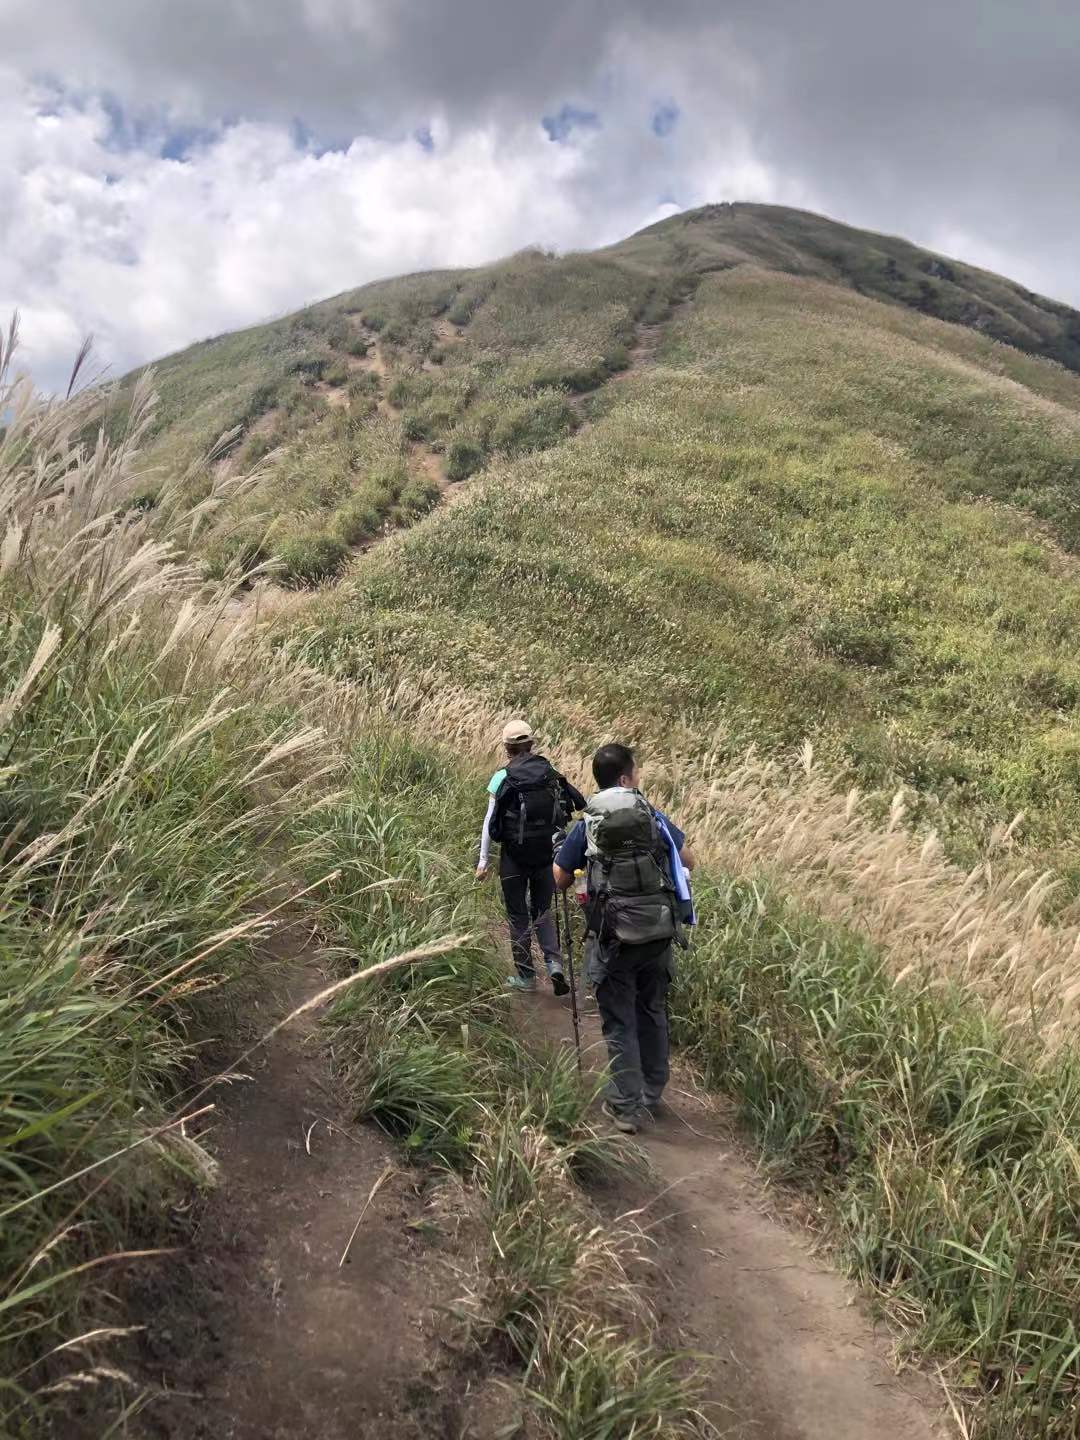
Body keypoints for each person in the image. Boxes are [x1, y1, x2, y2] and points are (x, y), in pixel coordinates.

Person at [553, 743, 695, 1133]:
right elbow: (688, 860)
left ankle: (626, 1108)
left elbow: (560, 880)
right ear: (624, 778)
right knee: (651, 1009)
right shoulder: (652, 815)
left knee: (619, 1020)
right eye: (637, 773)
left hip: (613, 936)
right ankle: (653, 1091)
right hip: (659, 933)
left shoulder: (589, 824)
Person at [477, 719, 585, 995]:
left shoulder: (503, 776)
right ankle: (554, 964)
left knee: (517, 915)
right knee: (543, 911)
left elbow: (490, 822)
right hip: (546, 856)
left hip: (514, 856)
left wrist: (483, 861)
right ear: (532, 744)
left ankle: (526, 977)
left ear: (506, 747)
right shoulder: (549, 773)